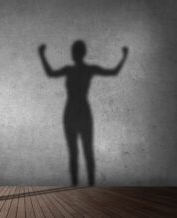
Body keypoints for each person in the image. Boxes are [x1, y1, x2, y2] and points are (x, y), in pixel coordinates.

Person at [38, 40, 128, 186]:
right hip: (79, 113)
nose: (74, 54)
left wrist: (42, 55)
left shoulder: (72, 70)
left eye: (75, 51)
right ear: (83, 53)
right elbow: (113, 71)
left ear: (75, 54)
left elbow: (51, 73)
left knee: (79, 152)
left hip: (74, 112)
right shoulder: (85, 69)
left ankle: (82, 187)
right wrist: (124, 56)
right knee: (84, 152)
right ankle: (85, 187)